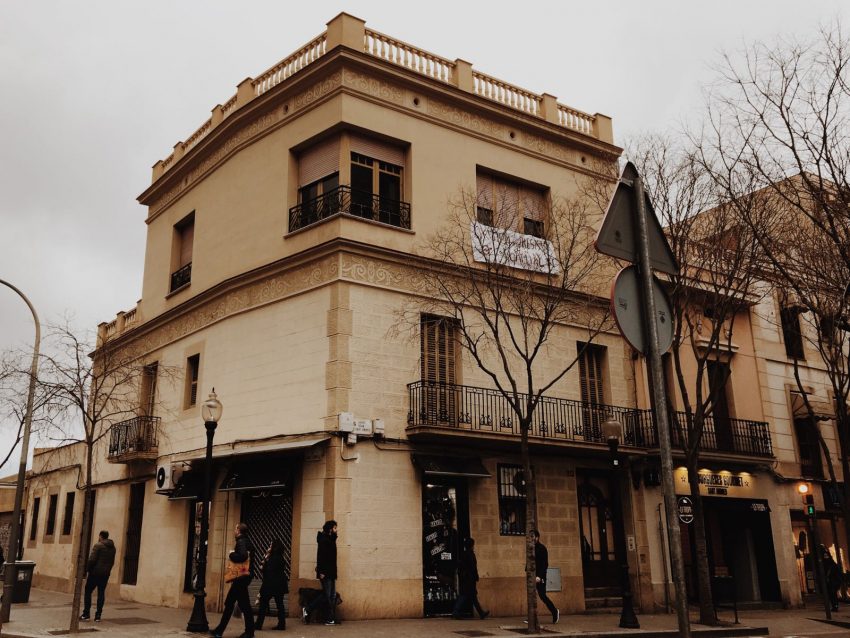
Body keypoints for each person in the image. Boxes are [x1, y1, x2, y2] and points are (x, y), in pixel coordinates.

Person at [211, 523, 255, 638]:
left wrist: (231, 555)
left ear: (239, 530)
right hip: (244, 577)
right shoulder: (247, 541)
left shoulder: (241, 542)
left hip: (240, 578)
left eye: (235, 528)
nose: (234, 530)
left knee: (233, 604)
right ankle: (220, 630)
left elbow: (243, 556)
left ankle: (221, 631)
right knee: (239, 605)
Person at [303, 520, 338, 626]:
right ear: (330, 529)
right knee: (327, 596)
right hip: (326, 572)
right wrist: (321, 571)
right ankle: (329, 618)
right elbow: (321, 557)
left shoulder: (330, 540)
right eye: (335, 528)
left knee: (331, 595)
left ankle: (309, 610)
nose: (337, 530)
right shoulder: (324, 540)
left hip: (331, 572)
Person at [80, 530, 116, 622]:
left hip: (95, 573)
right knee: (101, 593)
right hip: (105, 574)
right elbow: (112, 562)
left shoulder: (98, 545)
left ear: (100, 536)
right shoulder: (113, 548)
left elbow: (92, 560)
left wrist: (87, 570)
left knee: (88, 591)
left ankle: (86, 614)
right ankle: (98, 616)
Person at [452, 537, 489, 620]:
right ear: (472, 545)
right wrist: (475, 576)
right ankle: (456, 611)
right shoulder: (470, 554)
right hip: (469, 578)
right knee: (465, 595)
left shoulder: (465, 554)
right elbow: (472, 567)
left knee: (472, 596)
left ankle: (481, 612)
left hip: (467, 578)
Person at [256, 538, 288, 631]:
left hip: (271, 584)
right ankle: (282, 624)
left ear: (274, 547)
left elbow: (268, 571)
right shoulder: (280, 557)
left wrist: (264, 563)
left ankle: (258, 624)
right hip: (279, 584)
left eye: (271, 545)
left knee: (263, 604)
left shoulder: (273, 558)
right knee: (280, 604)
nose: (269, 546)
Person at [532, 530, 559, 624]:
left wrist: (539, 576)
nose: (532, 539)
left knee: (542, 595)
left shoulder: (542, 548)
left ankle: (554, 611)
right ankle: (532, 617)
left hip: (540, 576)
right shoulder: (531, 548)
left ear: (537, 537)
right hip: (532, 576)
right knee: (531, 596)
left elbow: (545, 564)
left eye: (534, 537)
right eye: (531, 537)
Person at [821, 545, 841, 612]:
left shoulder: (833, 565)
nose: (826, 557)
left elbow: (837, 574)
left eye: (826, 556)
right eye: (824, 556)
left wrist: (837, 582)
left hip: (833, 582)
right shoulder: (823, 565)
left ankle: (835, 606)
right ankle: (833, 606)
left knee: (833, 595)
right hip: (828, 583)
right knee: (830, 595)